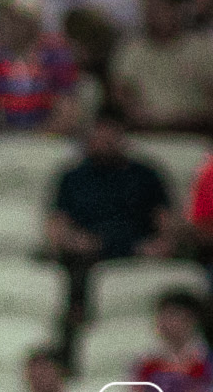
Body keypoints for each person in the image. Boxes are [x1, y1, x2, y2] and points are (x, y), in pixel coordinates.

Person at [46, 112, 176, 319]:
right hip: (89, 252)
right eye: (99, 136)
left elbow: (166, 220)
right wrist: (73, 241)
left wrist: (162, 244)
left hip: (137, 248)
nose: (104, 142)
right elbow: (58, 224)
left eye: (110, 137)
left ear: (122, 137)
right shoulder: (72, 178)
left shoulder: (146, 174)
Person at [0, 0, 80, 136]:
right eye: (3, 18)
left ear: (30, 23)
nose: (4, 25)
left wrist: (40, 138)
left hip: (46, 138)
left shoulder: (56, 56)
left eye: (13, 19)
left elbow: (67, 110)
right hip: (3, 137)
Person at [111, 0, 213, 135]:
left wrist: (180, 120)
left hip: (193, 135)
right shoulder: (130, 49)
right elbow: (120, 95)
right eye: (150, 8)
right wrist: (140, 116)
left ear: (179, 9)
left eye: (161, 8)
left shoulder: (203, 49)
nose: (153, 14)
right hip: (142, 133)